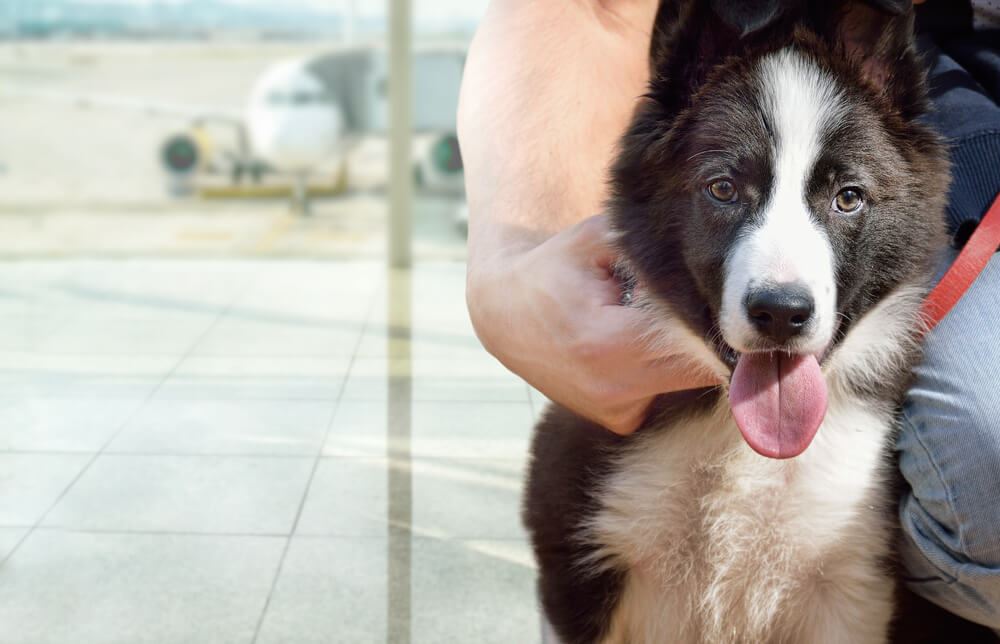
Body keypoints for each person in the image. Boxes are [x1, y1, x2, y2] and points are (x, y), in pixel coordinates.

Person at [458, 0, 1000, 630]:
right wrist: (510, 264)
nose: (781, 285)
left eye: (847, 195)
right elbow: (591, 11)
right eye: (723, 188)